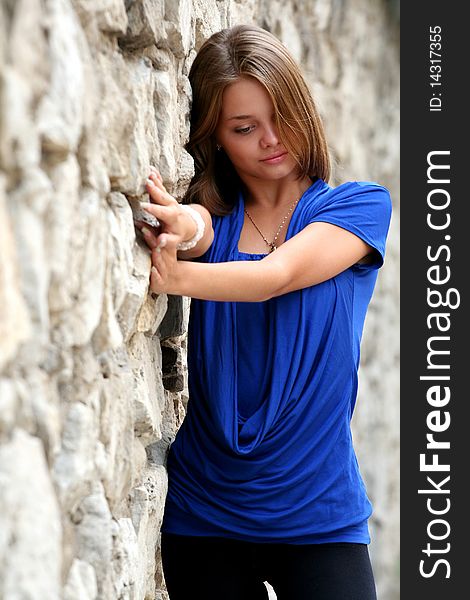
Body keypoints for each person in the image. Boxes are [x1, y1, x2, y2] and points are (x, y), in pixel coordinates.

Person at [135, 24, 392, 600]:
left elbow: (276, 276)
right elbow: (198, 225)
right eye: (244, 128)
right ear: (217, 138)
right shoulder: (215, 216)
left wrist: (178, 277)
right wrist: (185, 224)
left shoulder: (358, 206)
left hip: (319, 515)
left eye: (281, 116)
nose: (272, 139)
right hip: (207, 515)